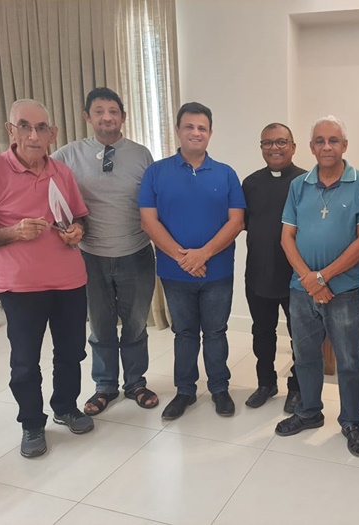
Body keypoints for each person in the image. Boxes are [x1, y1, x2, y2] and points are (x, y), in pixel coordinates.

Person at [0, 88, 158, 415]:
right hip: (90, 258)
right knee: (99, 328)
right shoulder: (67, 156)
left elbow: (150, 201)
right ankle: (104, 386)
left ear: (123, 117)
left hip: (135, 254)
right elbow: (25, 159)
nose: (106, 117)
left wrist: (78, 226)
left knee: (135, 325)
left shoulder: (142, 155)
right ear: (87, 117)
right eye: (98, 111)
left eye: (113, 111)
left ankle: (136, 383)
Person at [0, 99, 93, 458]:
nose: (33, 135)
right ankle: (32, 424)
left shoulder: (61, 172)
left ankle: (66, 407)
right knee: (25, 361)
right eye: (25, 126)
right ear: (10, 131)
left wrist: (77, 231)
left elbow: (78, 218)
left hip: (69, 281)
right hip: (20, 287)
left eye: (41, 128)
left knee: (71, 353)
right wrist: (11, 233)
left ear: (52, 134)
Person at [275, 115, 359, 457]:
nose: (326, 146)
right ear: (311, 147)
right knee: (304, 356)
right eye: (319, 140)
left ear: (345, 146)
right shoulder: (298, 186)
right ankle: (309, 411)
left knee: (349, 360)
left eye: (333, 140)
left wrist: (323, 277)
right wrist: (309, 278)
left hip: (344, 290)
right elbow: (287, 237)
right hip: (300, 288)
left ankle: (351, 421)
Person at [138, 102, 245, 420]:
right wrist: (183, 258)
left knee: (216, 332)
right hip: (175, 273)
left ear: (210, 133)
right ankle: (185, 391)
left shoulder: (226, 174)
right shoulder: (156, 172)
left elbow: (236, 221)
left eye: (202, 127)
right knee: (184, 333)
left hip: (217, 271)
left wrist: (203, 254)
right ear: (178, 130)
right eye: (189, 126)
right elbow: (148, 221)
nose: (195, 132)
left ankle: (219, 389)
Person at [242, 123, 305, 412]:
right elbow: (243, 224)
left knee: (299, 336)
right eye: (267, 143)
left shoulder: (306, 181)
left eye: (281, 142)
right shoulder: (250, 183)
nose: (274, 148)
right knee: (262, 332)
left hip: (295, 275)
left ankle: (298, 387)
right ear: (261, 147)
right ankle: (266, 383)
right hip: (258, 271)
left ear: (293, 146)